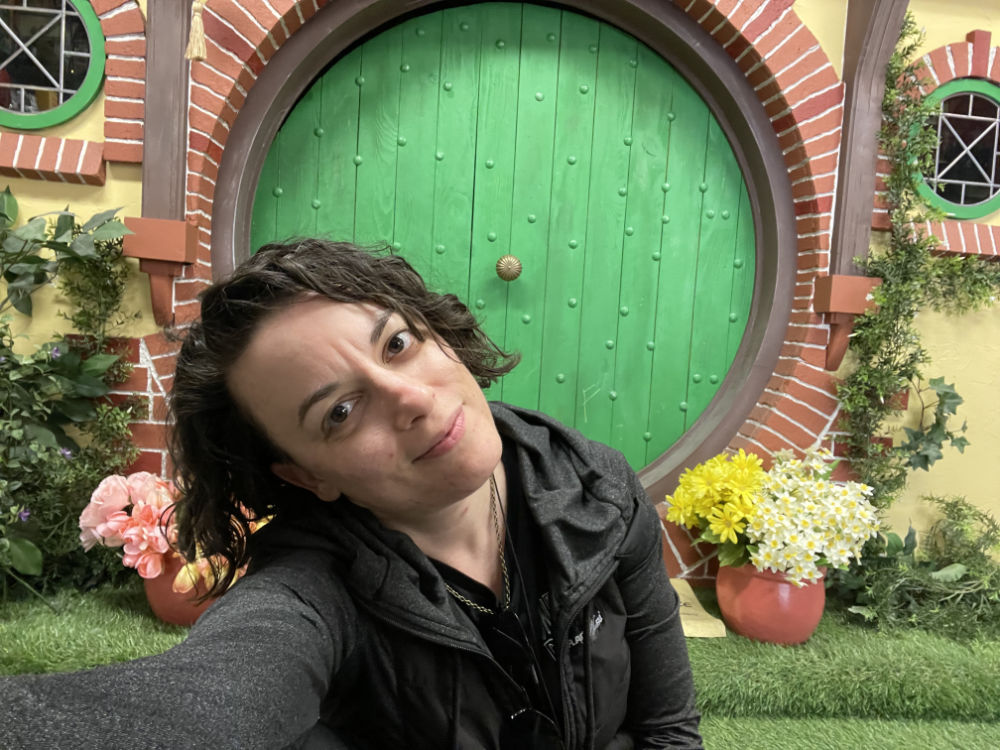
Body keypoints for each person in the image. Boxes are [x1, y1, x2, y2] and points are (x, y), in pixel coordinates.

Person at [1, 239, 702, 749]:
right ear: (306, 476)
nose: (411, 397)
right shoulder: (311, 592)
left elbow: (670, 729)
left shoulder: (598, 489)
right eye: (339, 412)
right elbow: (210, 705)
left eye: (396, 343)